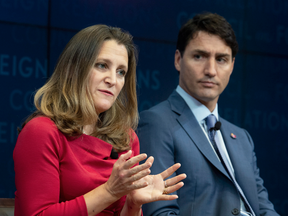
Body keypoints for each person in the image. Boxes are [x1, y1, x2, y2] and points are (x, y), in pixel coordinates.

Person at [13, 24, 186, 216]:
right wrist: (109, 191)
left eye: (121, 72)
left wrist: (133, 205)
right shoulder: (41, 132)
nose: (113, 80)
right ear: (74, 69)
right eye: (102, 65)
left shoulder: (126, 139)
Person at [137, 12, 279, 216]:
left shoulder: (242, 138)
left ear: (232, 66)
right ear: (178, 60)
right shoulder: (156, 123)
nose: (211, 70)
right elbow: (160, 212)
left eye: (221, 59)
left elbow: (264, 208)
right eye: (199, 56)